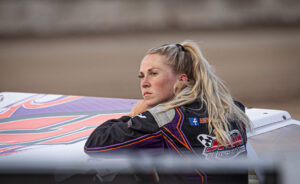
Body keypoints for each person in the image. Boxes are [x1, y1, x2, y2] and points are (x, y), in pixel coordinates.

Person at [84, 40, 252, 183]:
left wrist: (131, 116)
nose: (144, 83)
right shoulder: (234, 108)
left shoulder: (166, 118)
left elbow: (95, 144)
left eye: (153, 74)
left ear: (182, 79)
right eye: (141, 76)